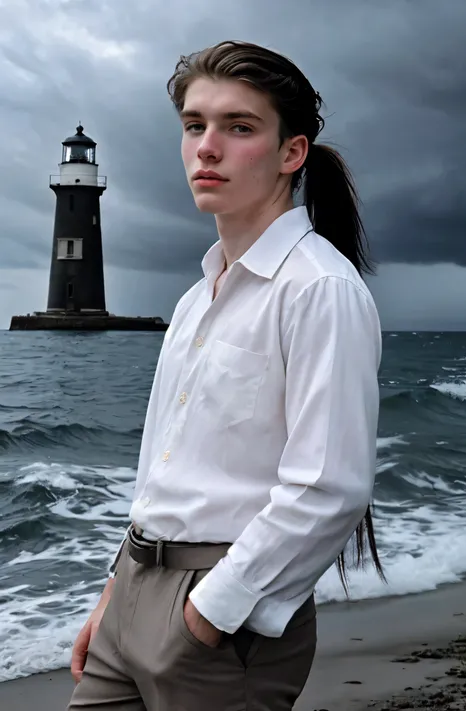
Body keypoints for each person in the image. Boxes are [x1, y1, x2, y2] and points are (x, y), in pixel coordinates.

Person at [67, 39, 384, 711]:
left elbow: (329, 486)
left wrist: (207, 614)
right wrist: (114, 597)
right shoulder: (194, 300)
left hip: (219, 616)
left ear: (290, 152)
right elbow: (161, 472)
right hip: (133, 596)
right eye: (194, 125)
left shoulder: (318, 288)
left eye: (238, 127)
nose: (206, 146)